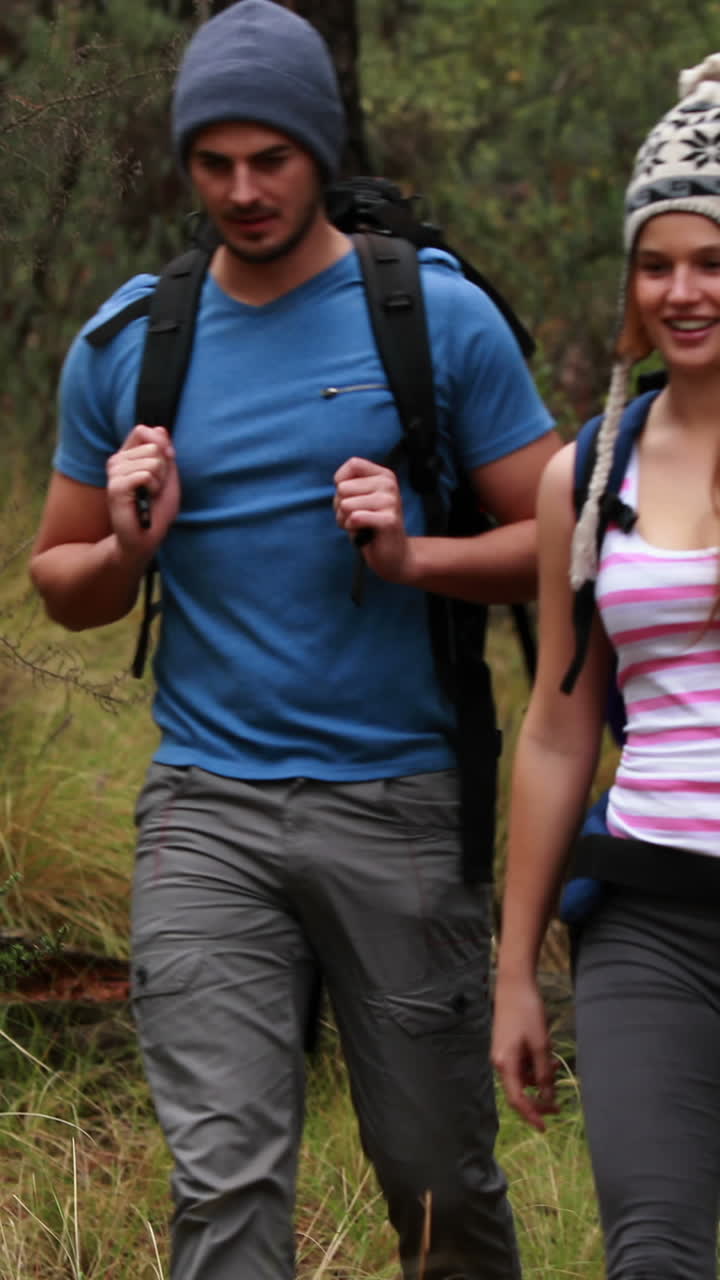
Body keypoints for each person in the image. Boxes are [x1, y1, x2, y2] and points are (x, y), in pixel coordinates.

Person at [29, 2, 558, 1276]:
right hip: (206, 807)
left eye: (272, 159)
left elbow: (564, 541)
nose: (245, 190)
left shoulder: (433, 319)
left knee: (439, 1182)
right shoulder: (130, 343)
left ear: (321, 149)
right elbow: (62, 582)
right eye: (215, 163)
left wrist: (416, 554)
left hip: (397, 802)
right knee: (225, 1175)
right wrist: (126, 546)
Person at [492, 54, 720, 1280]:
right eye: (656, 261)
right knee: (655, 1254)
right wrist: (516, 967)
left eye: (712, 259)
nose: (683, 291)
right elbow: (556, 728)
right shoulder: (585, 474)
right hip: (651, 915)